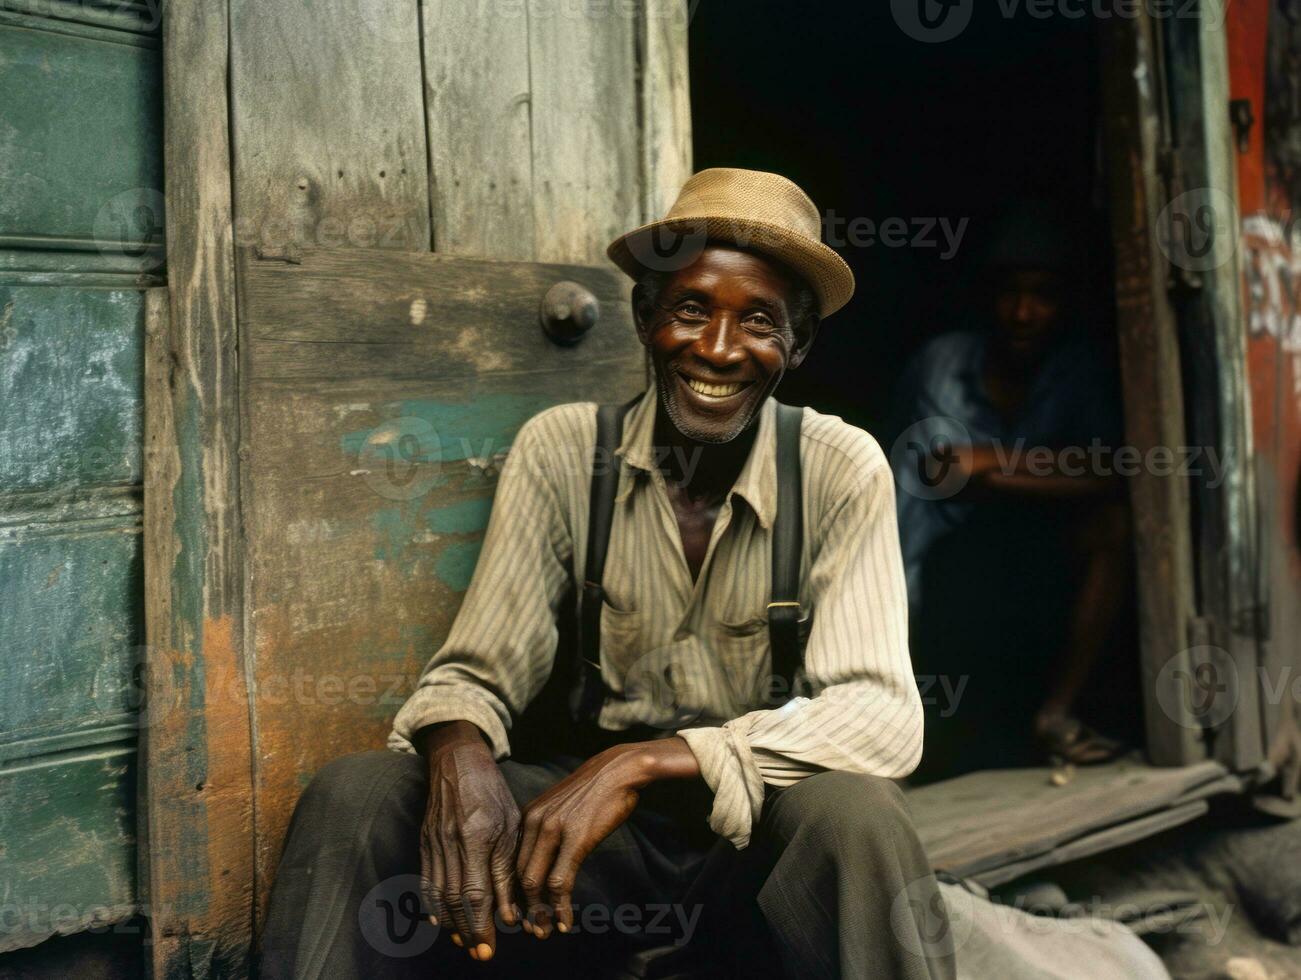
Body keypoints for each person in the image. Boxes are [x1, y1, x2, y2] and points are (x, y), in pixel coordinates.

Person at [260, 169, 954, 979]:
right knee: (360, 794)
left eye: (758, 322)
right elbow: (476, 672)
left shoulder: (838, 467)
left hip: (748, 849)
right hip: (580, 856)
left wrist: (640, 763)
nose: (718, 350)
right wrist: (457, 751)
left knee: (853, 814)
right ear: (643, 316)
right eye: (691, 308)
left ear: (795, 347)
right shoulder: (564, 451)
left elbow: (881, 716)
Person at [891, 206, 1133, 776]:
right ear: (986, 300)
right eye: (1009, 294)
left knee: (1114, 528)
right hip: (935, 552)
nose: (1023, 313)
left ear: (1065, 304)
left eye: (1043, 296)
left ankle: (1055, 716)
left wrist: (993, 462)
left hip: (1025, 539)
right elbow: (946, 479)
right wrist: (1050, 473)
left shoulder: (1077, 367)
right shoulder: (943, 362)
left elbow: (1113, 472)